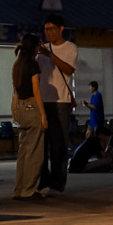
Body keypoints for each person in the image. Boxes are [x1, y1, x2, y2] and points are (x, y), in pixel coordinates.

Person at [38, 15, 78, 194]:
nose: (49, 32)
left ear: (61, 29)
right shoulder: (42, 49)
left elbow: (69, 69)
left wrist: (50, 55)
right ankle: (42, 181)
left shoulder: (70, 47)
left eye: (52, 29)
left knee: (59, 145)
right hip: (42, 101)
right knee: (41, 145)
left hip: (61, 102)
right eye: (46, 29)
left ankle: (58, 183)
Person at [9, 32, 48, 200]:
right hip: (32, 107)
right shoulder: (33, 65)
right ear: (34, 47)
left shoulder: (17, 65)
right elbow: (36, 90)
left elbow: (16, 90)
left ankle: (19, 189)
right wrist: (43, 115)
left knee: (23, 151)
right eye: (38, 45)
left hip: (20, 108)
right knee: (34, 152)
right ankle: (29, 190)